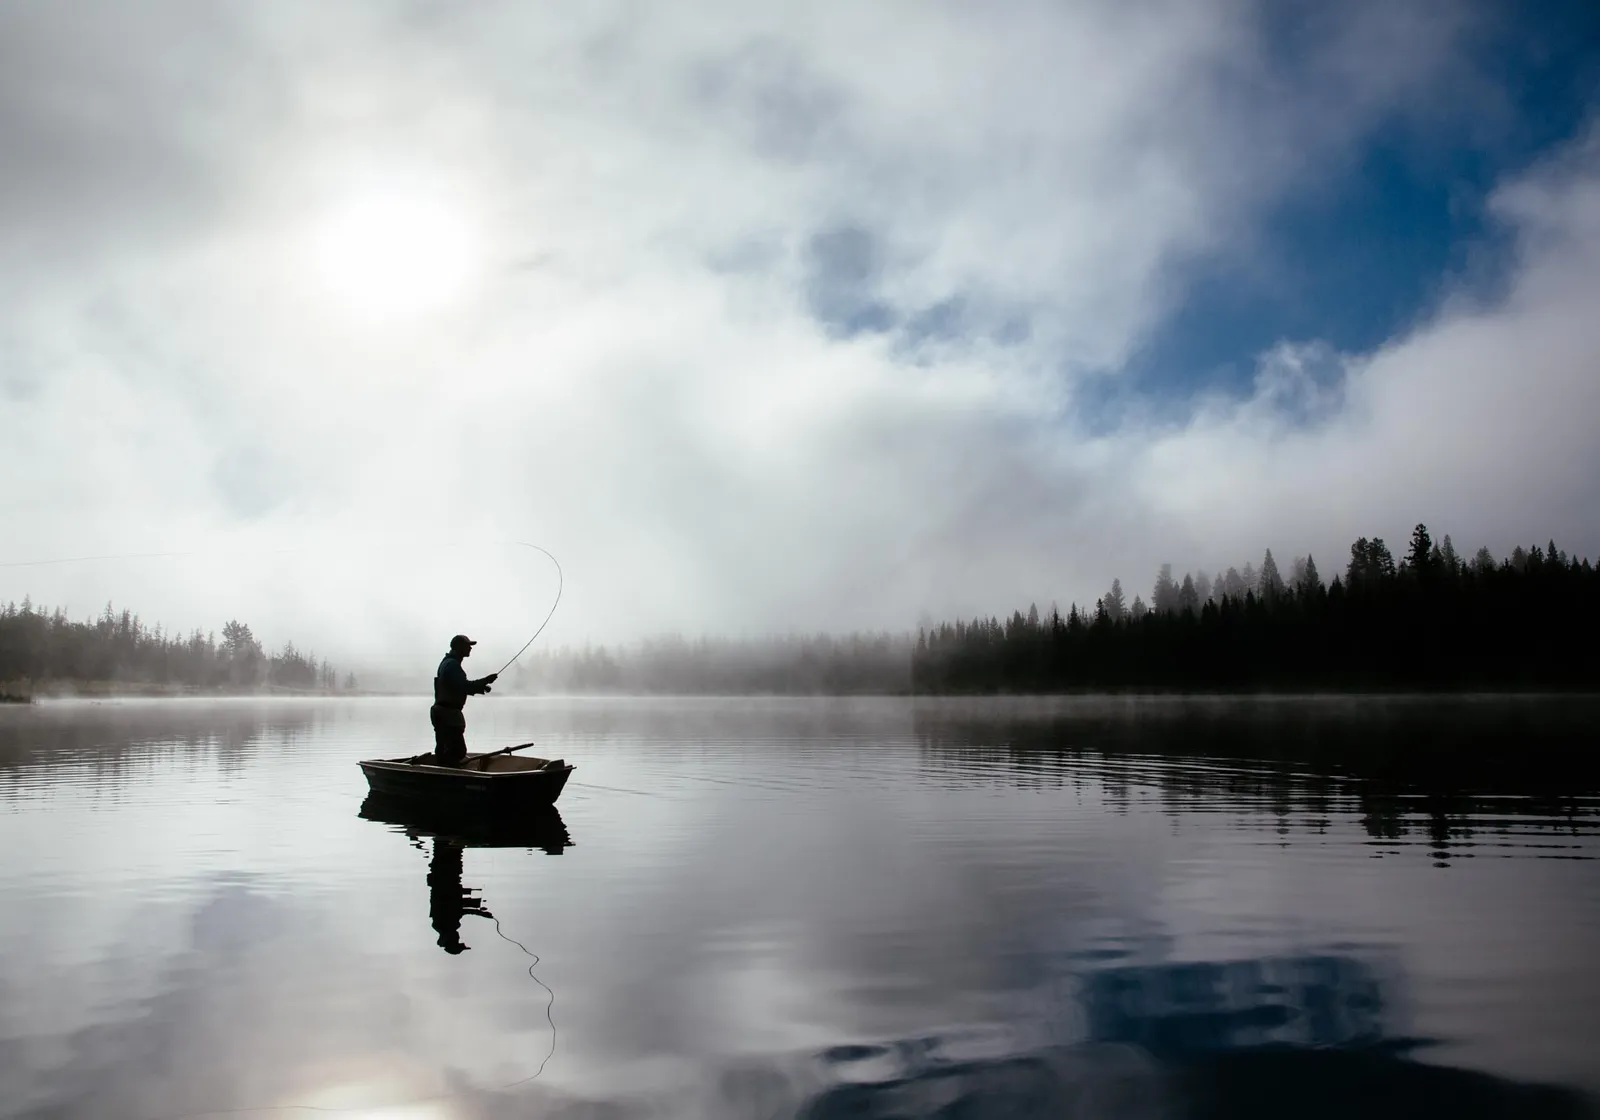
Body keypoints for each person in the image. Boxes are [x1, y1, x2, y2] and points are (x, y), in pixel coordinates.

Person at [430, 634, 498, 766]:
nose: (470, 649)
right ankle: (450, 778)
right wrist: (485, 680)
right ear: (459, 647)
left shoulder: (447, 663)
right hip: (448, 714)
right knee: (457, 752)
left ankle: (443, 775)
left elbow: (458, 686)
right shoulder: (452, 665)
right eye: (468, 646)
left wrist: (481, 687)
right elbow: (464, 686)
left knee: (445, 751)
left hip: (443, 712)